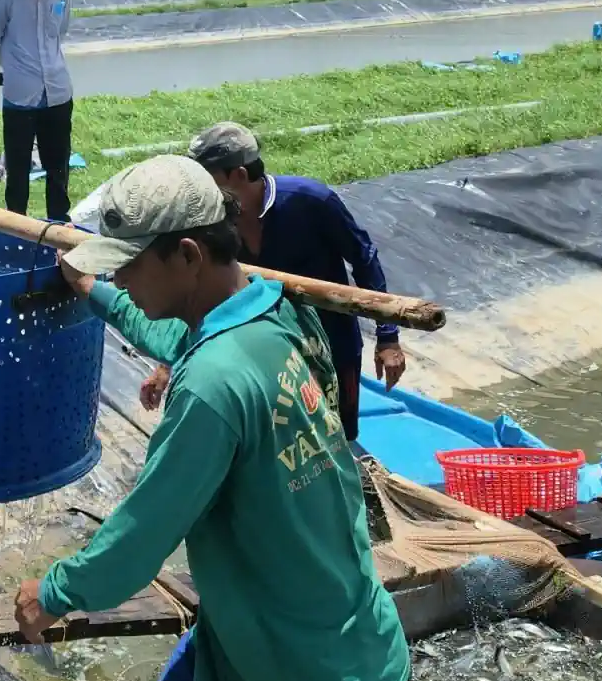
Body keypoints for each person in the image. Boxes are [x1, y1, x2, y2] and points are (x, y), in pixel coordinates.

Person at [12, 154, 417, 681]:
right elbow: (173, 337)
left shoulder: (207, 390)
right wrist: (97, 292)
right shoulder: (280, 314)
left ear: (188, 256)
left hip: (324, 673)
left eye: (127, 263)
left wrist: (54, 592)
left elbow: (140, 538)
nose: (117, 274)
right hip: (243, 655)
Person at [131, 122, 405, 441]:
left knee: (338, 438)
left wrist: (388, 337)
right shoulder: (214, 223)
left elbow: (363, 258)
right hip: (263, 354)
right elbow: (200, 293)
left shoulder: (311, 201)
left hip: (332, 345)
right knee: (281, 444)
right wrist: (168, 363)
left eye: (207, 179)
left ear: (239, 176)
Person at [0, 0, 75, 221]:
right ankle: (17, 226)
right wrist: (15, 67)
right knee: (19, 168)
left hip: (57, 91)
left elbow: (58, 33)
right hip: (20, 94)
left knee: (58, 165)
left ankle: (59, 228)